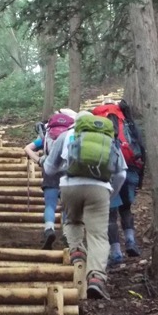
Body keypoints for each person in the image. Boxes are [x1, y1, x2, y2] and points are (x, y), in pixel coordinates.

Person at [43, 110, 127, 300]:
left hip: (70, 186)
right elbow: (121, 173)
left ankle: (77, 251)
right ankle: (96, 278)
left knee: (72, 221)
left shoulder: (64, 136)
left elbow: (49, 168)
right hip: (100, 189)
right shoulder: (107, 139)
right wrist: (110, 193)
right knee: (98, 235)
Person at [92, 99, 146, 265]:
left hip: (110, 169)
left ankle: (116, 253)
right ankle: (130, 241)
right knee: (126, 208)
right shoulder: (125, 118)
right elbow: (141, 145)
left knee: (111, 213)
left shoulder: (97, 117)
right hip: (131, 166)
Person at [24, 109, 76, 249]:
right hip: (68, 171)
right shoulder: (70, 133)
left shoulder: (47, 133)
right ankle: (67, 233)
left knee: (50, 205)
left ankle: (49, 229)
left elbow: (28, 148)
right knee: (66, 206)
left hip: (50, 171)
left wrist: (39, 160)